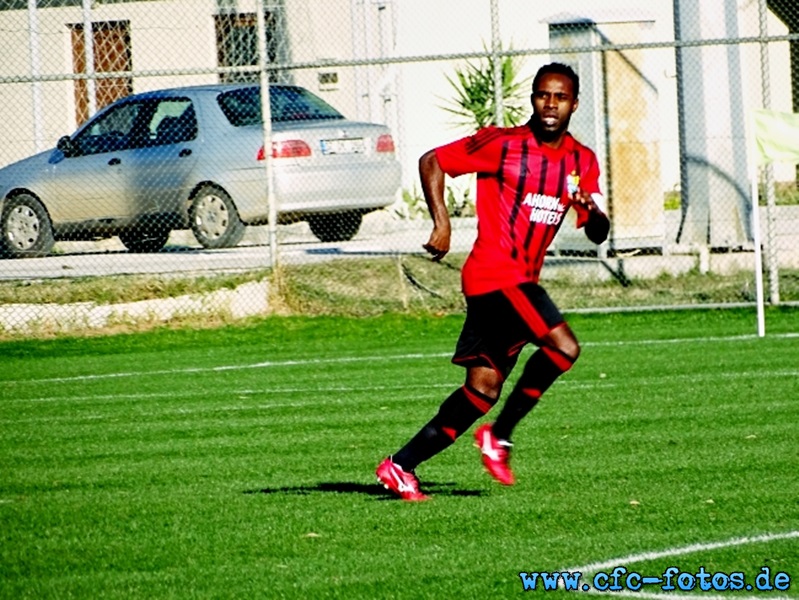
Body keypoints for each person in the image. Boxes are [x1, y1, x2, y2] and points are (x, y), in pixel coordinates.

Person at [376, 62, 610, 501]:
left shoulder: (582, 161)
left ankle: (400, 465)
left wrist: (593, 212)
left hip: (519, 283)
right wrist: (442, 224)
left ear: (574, 104)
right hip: (494, 273)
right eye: (543, 95)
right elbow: (434, 161)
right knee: (565, 347)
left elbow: (598, 230)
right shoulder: (502, 145)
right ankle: (499, 437)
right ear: (533, 99)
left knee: (481, 391)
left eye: (560, 97)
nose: (550, 104)